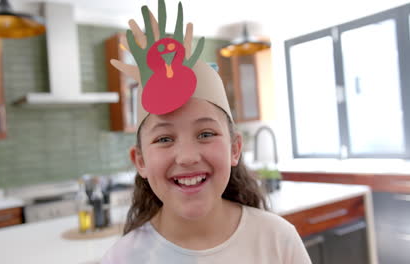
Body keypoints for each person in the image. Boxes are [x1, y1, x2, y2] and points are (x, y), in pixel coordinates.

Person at [101, 1, 311, 263]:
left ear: (235, 148)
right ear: (140, 161)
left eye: (206, 134)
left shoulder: (278, 239)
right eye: (164, 139)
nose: (187, 157)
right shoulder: (122, 259)